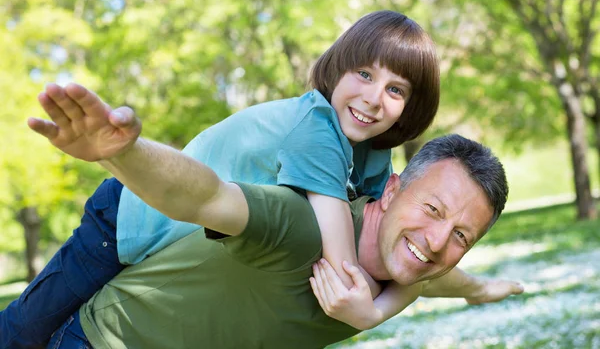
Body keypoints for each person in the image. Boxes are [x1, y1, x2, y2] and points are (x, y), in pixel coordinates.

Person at [1, 10, 441, 348]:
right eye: (364, 74)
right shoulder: (318, 129)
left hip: (180, 240)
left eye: (395, 89)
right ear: (338, 69)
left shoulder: (373, 158)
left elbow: (402, 264)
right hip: (128, 217)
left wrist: (375, 308)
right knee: (28, 326)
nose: (373, 98)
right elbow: (350, 271)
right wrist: (371, 308)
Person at [30, 84, 522, 348]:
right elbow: (204, 196)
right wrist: (125, 153)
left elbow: (447, 280)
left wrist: (485, 289)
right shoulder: (308, 223)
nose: (435, 242)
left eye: (461, 235)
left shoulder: (408, 273)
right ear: (390, 191)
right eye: (432, 209)